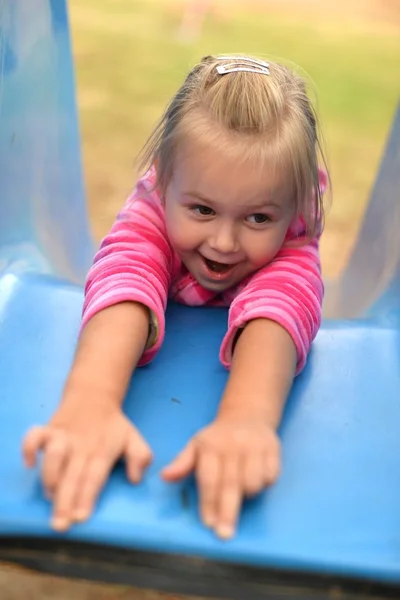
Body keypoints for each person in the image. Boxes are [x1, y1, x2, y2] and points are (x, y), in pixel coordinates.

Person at [22, 54, 329, 540]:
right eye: (203, 210)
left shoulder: (295, 231)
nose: (225, 242)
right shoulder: (153, 209)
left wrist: (246, 419)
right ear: (164, 182)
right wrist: (91, 401)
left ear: (293, 204)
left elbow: (283, 304)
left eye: (257, 219)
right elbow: (127, 274)